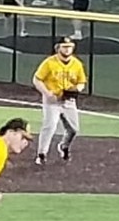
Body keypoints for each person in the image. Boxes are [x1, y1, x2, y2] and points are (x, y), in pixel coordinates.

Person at [33, 36, 87, 166]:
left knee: (74, 129)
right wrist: (46, 93)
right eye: (64, 47)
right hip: (52, 100)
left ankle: (64, 146)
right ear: (58, 48)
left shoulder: (77, 64)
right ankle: (42, 154)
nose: (67, 50)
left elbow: (81, 82)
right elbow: (37, 79)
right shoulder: (49, 63)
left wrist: (77, 89)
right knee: (50, 125)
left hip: (69, 101)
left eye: (70, 47)